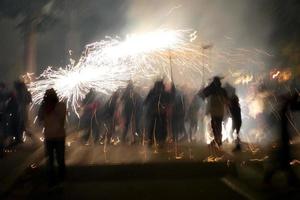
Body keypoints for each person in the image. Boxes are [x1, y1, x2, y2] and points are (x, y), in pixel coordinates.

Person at [38, 88, 66, 186]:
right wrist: (45, 106)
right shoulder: (58, 105)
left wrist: (48, 106)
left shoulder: (59, 106)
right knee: (57, 160)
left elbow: (61, 117)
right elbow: (40, 117)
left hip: (54, 136)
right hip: (56, 136)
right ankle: (57, 181)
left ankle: (55, 181)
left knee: (55, 160)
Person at [198, 76, 228, 147]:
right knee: (218, 125)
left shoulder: (212, 89)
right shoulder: (222, 90)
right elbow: (226, 101)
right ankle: (218, 139)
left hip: (215, 111)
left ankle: (217, 139)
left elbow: (203, 94)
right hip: (220, 112)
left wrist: (205, 87)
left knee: (215, 126)